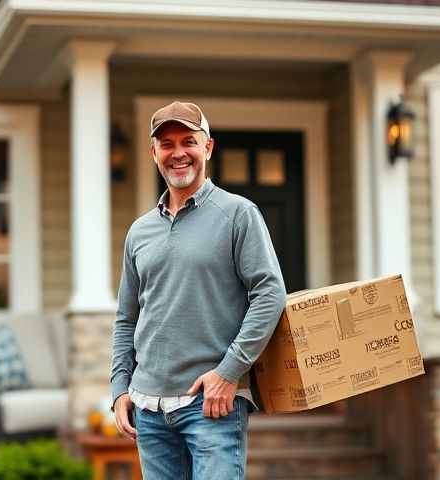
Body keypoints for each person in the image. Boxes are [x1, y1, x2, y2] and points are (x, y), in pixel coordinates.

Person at [110, 101, 286, 479]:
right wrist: (120, 389)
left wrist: (229, 373)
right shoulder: (139, 231)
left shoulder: (239, 214)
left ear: (207, 148)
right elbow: (127, 318)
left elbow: (269, 294)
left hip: (212, 406)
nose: (177, 153)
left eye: (188, 141)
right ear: (153, 153)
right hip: (149, 410)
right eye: (166, 144)